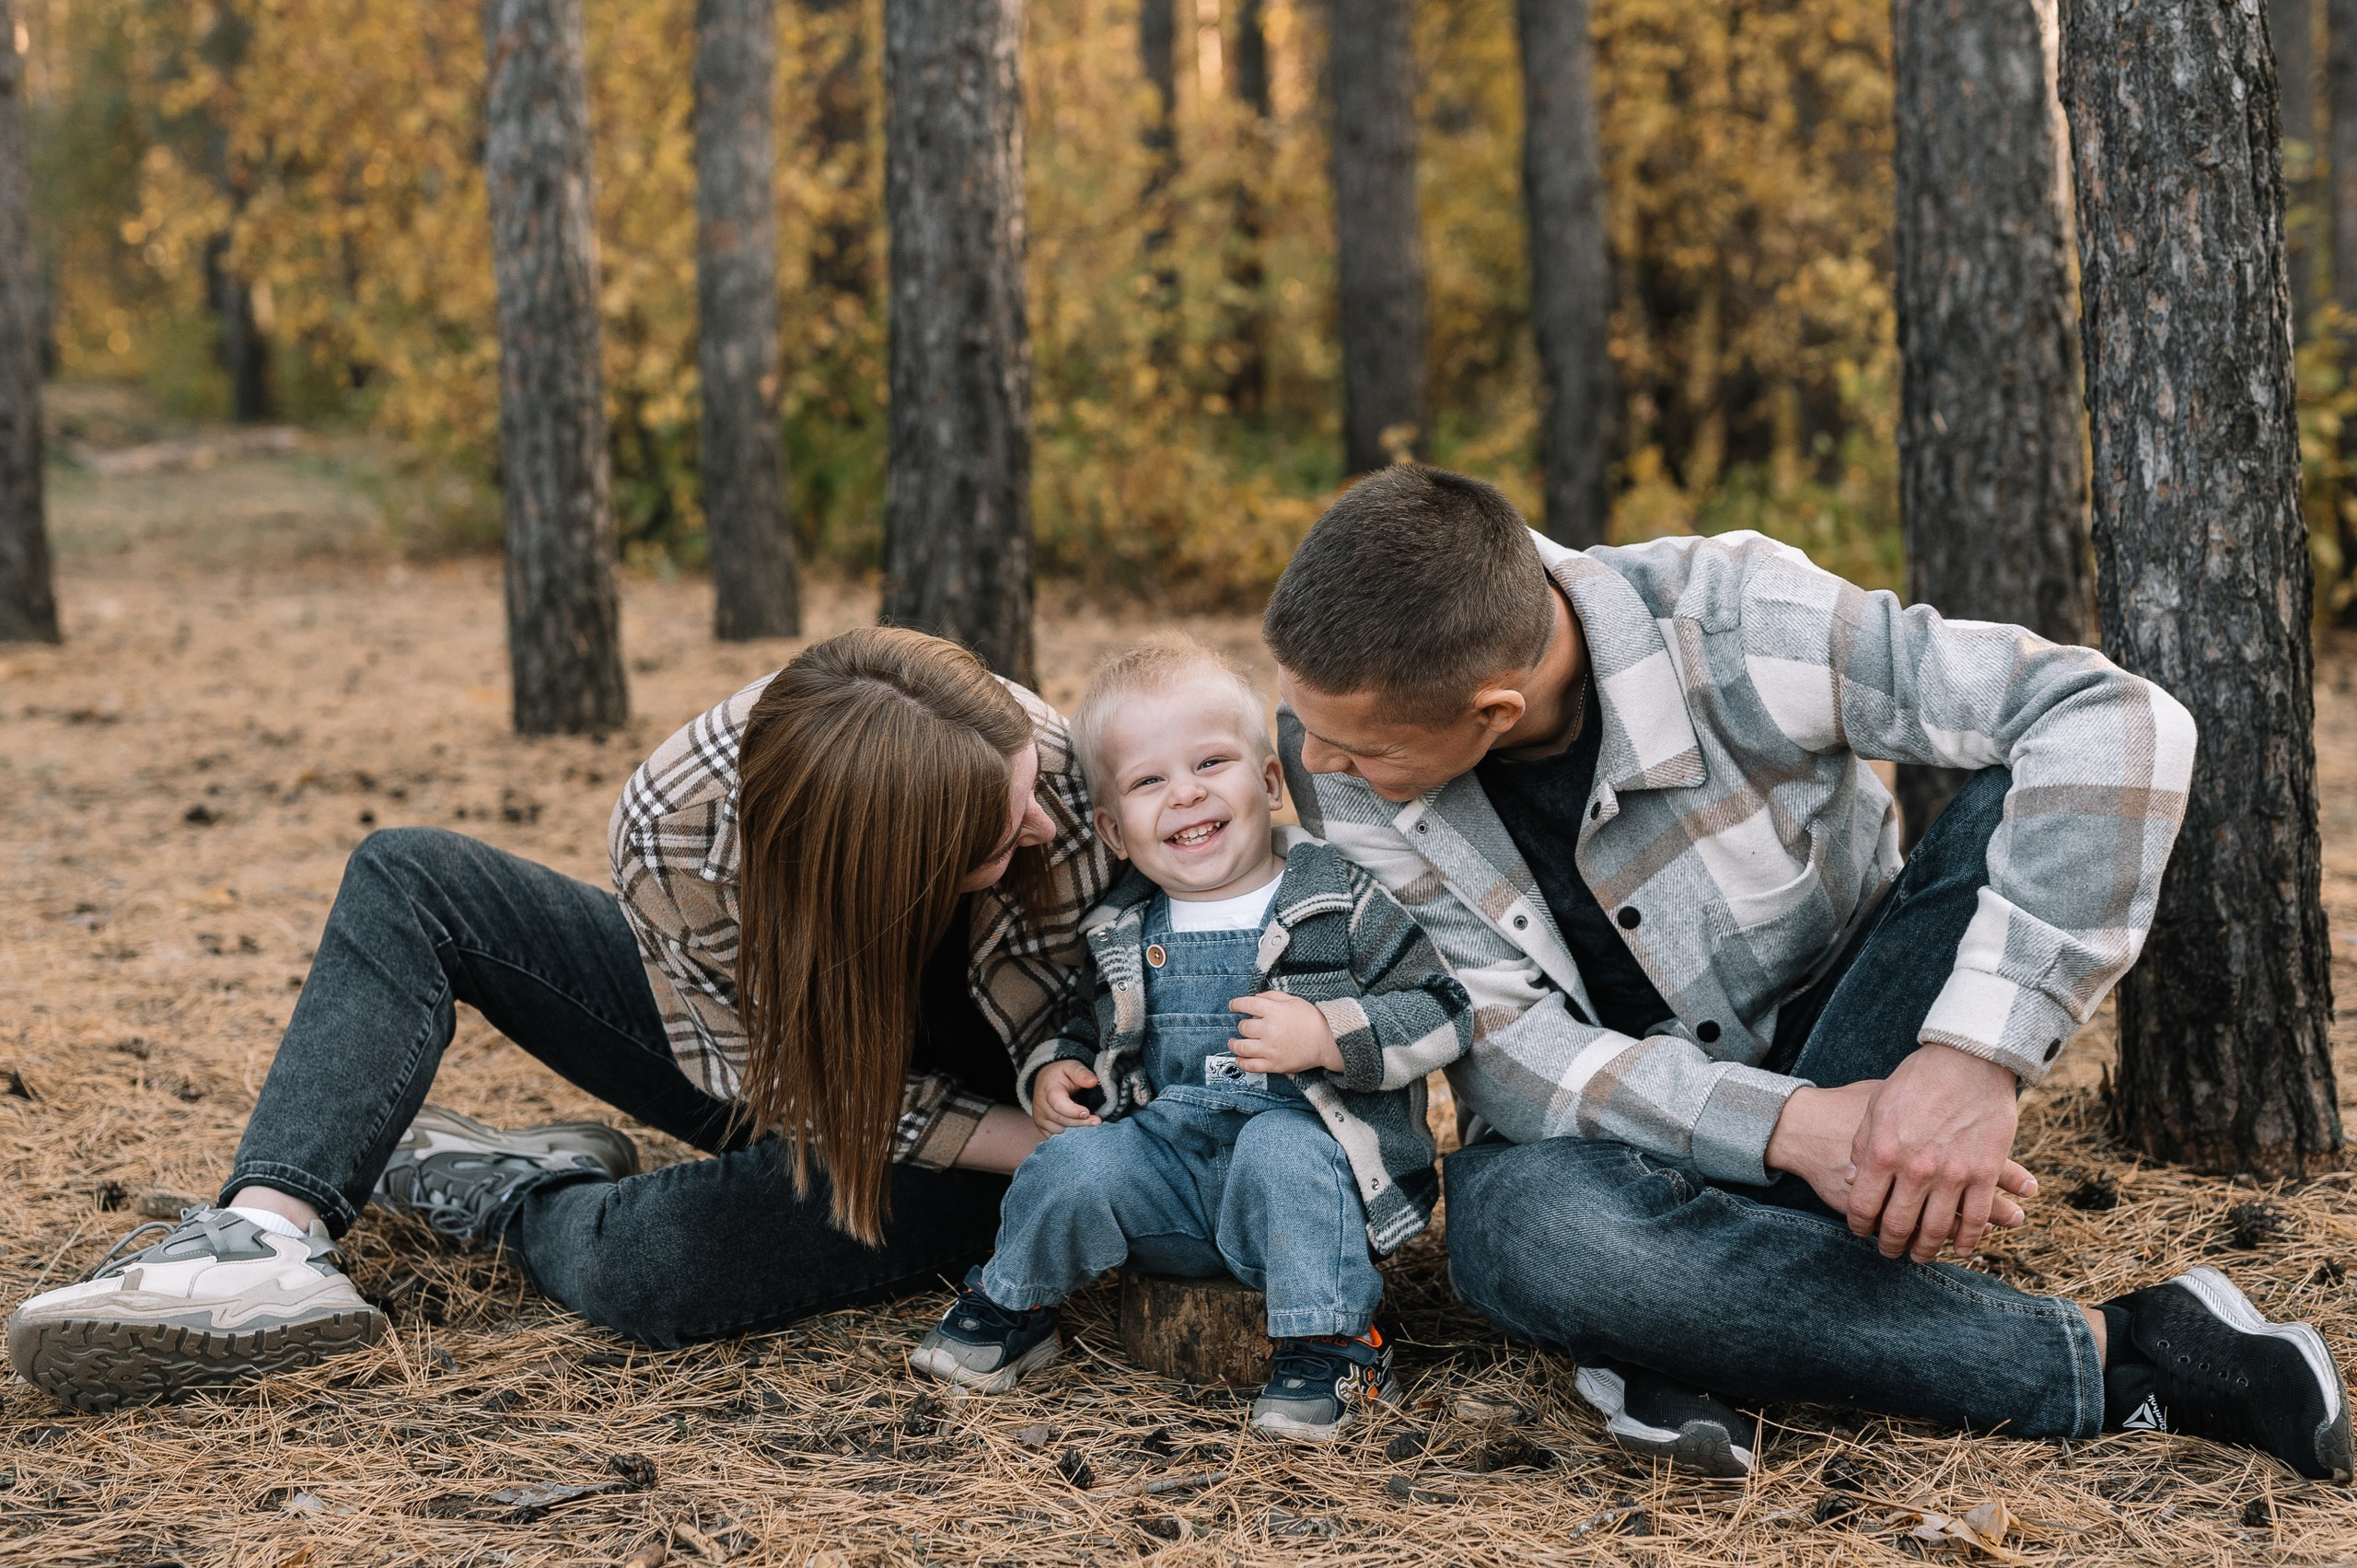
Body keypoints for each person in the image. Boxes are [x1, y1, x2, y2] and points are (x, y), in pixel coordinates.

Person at [1260, 464, 2353, 1482]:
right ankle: (2127, 1350)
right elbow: (1504, 1049)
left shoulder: (1735, 618)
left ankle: (1693, 1334)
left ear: (1494, 712)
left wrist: (1974, 1060)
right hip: (1611, 1141)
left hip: (1864, 1031)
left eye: (1358, 747)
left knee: (1996, 815)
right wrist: (1793, 1130)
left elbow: (2116, 716)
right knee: (1516, 1232)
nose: (1314, 766)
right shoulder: (1345, 752)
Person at [6, 628, 1118, 1413]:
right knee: (412, 875)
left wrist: (1046, 1134)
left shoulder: (1047, 773)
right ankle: (268, 1237)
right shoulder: (678, 826)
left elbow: (1125, 1012)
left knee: (651, 1267)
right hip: (778, 1055)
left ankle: (504, 1188)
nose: (1040, 819)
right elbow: (764, 1082)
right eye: (1001, 823)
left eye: (1029, 785)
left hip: (991, 1112)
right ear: (880, 864)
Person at [910, 641, 1473, 1441]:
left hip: (1298, 1191)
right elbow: (1090, 1025)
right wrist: (1055, 1068)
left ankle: (1332, 1344)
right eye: (1148, 780)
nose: (1186, 792)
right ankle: (1013, 1305)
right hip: (1168, 1178)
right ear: (1112, 829)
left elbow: (1445, 1010)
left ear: (1271, 782)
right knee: (1069, 1159)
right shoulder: (1123, 927)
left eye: (1211, 761)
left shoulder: (1334, 897)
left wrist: (1327, 1031)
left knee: (1286, 1146)